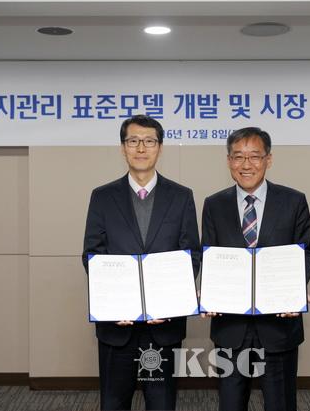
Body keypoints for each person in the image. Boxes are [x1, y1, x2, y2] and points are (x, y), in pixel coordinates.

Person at [82, 114, 201, 410]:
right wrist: (113, 303)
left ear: (160, 147)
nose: (141, 148)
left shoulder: (181, 196)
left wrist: (170, 302)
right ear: (123, 148)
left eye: (149, 141)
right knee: (114, 402)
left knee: (162, 403)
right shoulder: (102, 197)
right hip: (116, 325)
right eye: (133, 141)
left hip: (164, 326)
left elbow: (191, 255)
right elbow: (93, 254)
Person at [201, 126, 310, 411]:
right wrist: (208, 290)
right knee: (230, 404)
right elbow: (210, 256)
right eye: (238, 157)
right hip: (230, 327)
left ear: (268, 159)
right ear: (229, 161)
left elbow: (306, 253)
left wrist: (295, 289)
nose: (246, 164)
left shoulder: (294, 201)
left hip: (279, 326)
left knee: (280, 404)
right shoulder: (214, 205)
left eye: (254, 156)